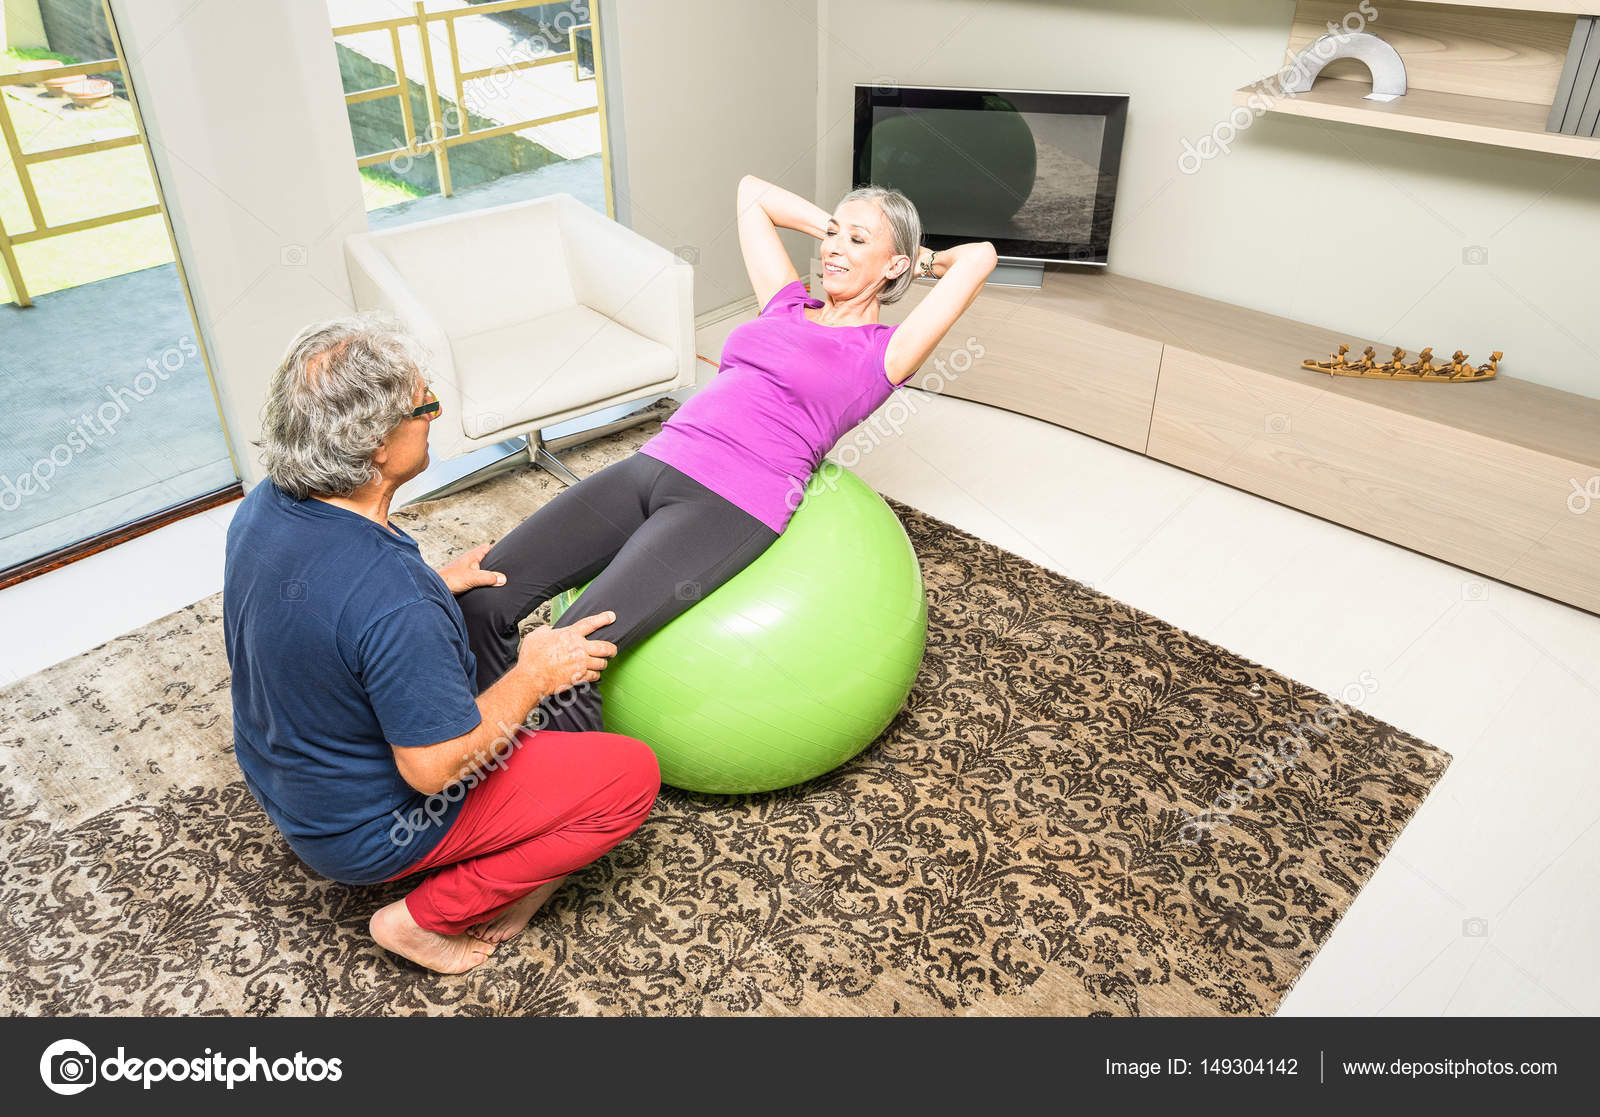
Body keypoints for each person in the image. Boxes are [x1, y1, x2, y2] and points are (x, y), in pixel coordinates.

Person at [458, 174, 998, 732]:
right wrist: (845, 234)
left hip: (728, 504)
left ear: (895, 265)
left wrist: (918, 261)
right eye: (832, 235)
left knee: (570, 657)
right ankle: (474, 742)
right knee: (484, 594)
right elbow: (752, 195)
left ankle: (556, 778)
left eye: (858, 240)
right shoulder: (787, 303)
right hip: (654, 463)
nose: (834, 248)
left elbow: (980, 257)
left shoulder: (886, 352)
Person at [223, 317, 659, 975]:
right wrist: (534, 673)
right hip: (364, 830)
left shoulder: (264, 505)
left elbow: (321, 610)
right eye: (423, 405)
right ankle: (421, 919)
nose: (436, 412)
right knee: (627, 777)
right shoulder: (394, 600)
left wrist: (427, 585)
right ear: (376, 446)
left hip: (283, 782)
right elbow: (433, 771)